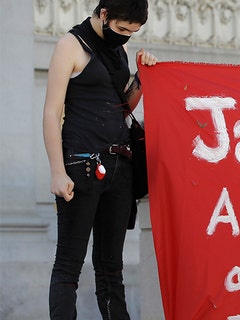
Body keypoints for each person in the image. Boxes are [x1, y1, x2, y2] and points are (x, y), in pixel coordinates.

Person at [42, 0, 158, 318]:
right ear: (104, 14)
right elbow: (52, 112)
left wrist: (142, 76)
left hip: (120, 166)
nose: (125, 37)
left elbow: (123, 104)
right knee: (69, 264)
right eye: (122, 29)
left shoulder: (116, 50)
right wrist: (56, 171)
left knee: (111, 269)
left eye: (132, 33)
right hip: (81, 164)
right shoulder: (70, 45)